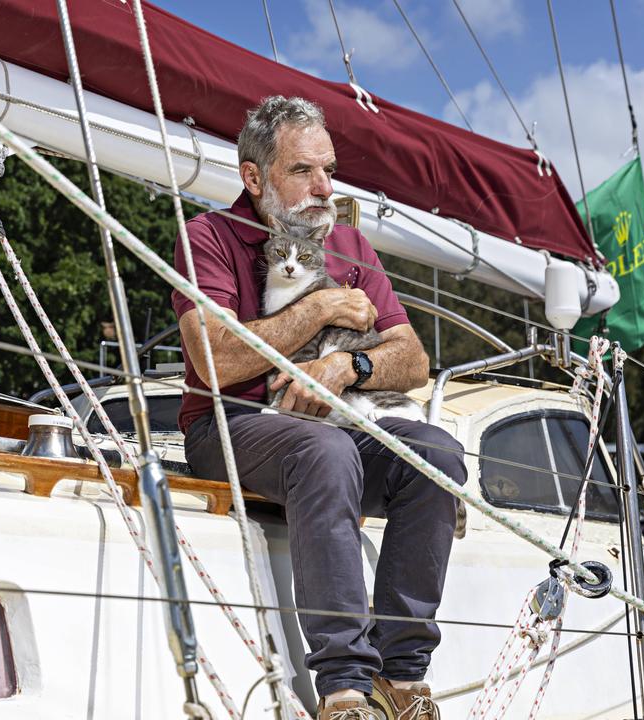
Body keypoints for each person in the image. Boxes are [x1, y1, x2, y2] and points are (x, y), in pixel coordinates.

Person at [171, 96, 467, 720]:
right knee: (326, 451)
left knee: (436, 454)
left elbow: (412, 361)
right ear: (253, 178)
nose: (324, 188)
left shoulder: (351, 243)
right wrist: (322, 308)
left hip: (334, 423)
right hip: (231, 427)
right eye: (303, 171)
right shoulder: (209, 238)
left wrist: (347, 365)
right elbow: (215, 363)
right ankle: (344, 688)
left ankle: (403, 675)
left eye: (328, 170)